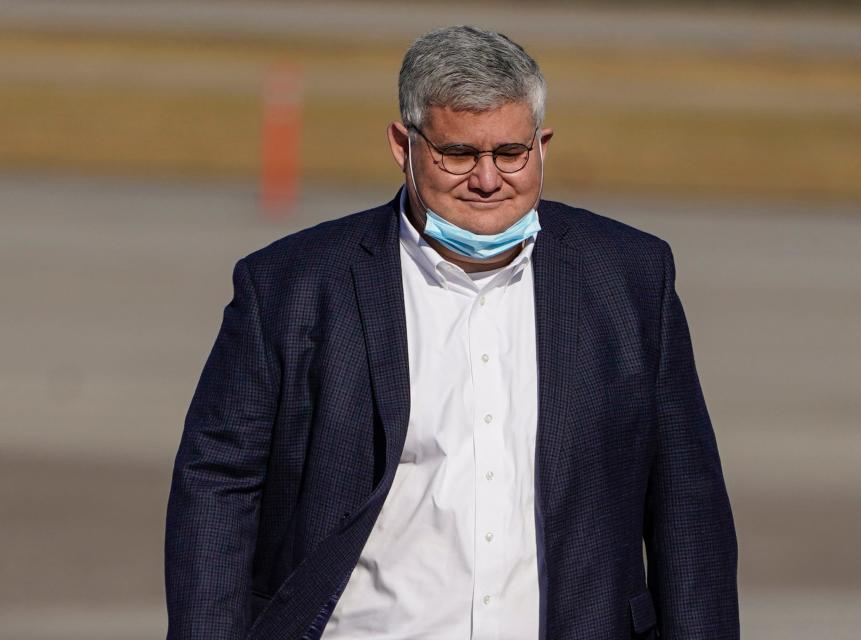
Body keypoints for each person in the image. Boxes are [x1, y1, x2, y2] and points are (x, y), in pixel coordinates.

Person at [165, 25, 738, 640]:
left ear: (542, 145)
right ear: (402, 146)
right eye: (459, 154)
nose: (488, 180)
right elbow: (218, 484)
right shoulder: (291, 286)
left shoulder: (628, 278)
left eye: (511, 153)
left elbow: (687, 505)